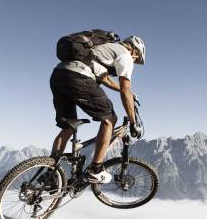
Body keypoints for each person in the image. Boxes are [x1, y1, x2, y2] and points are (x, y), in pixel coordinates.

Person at [49, 35, 146, 183]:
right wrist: (133, 122)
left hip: (59, 75)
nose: (134, 61)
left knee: (69, 126)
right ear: (135, 51)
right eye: (136, 59)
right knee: (110, 119)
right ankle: (96, 169)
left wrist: (124, 92)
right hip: (79, 77)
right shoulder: (125, 56)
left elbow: (105, 79)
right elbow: (125, 89)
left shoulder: (103, 49)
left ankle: (50, 174)